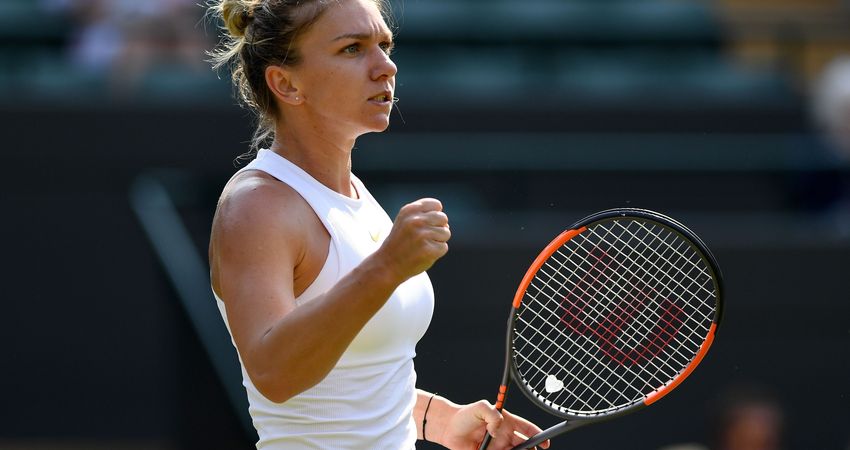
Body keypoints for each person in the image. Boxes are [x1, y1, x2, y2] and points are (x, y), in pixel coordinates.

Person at [206, 0, 550, 449]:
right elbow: (274, 373)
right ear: (286, 83)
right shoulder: (257, 205)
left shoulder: (354, 195)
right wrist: (386, 266)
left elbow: (352, 385)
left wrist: (441, 420)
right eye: (352, 49)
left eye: (385, 45)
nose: (385, 66)